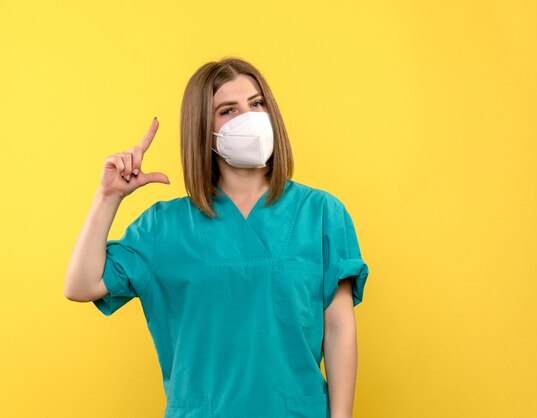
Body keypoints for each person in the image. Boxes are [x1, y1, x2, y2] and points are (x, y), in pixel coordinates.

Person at [64, 56, 370, 418]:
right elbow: (81, 285)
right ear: (203, 131)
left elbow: (338, 330)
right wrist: (108, 197)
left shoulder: (320, 214)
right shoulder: (165, 227)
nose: (249, 118)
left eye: (256, 104)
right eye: (228, 110)